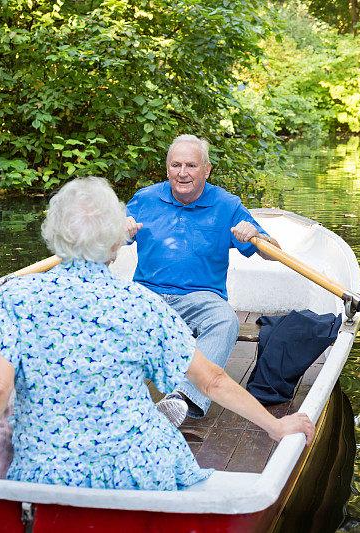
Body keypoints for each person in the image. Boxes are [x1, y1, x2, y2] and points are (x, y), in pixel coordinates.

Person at [0, 177, 313, 499]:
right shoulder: (142, 303)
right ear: (113, 243)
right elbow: (213, 381)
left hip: (48, 473)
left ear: (53, 235)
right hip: (139, 470)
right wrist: (275, 428)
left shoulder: (18, 296)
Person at [125, 135, 280, 427]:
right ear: (167, 168)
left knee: (226, 321)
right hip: (148, 295)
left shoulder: (227, 205)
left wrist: (258, 237)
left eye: (191, 166)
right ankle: (105, 395)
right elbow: (103, 243)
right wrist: (119, 231)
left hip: (202, 298)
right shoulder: (145, 199)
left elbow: (274, 254)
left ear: (206, 170)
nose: (183, 173)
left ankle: (182, 399)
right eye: (176, 165)